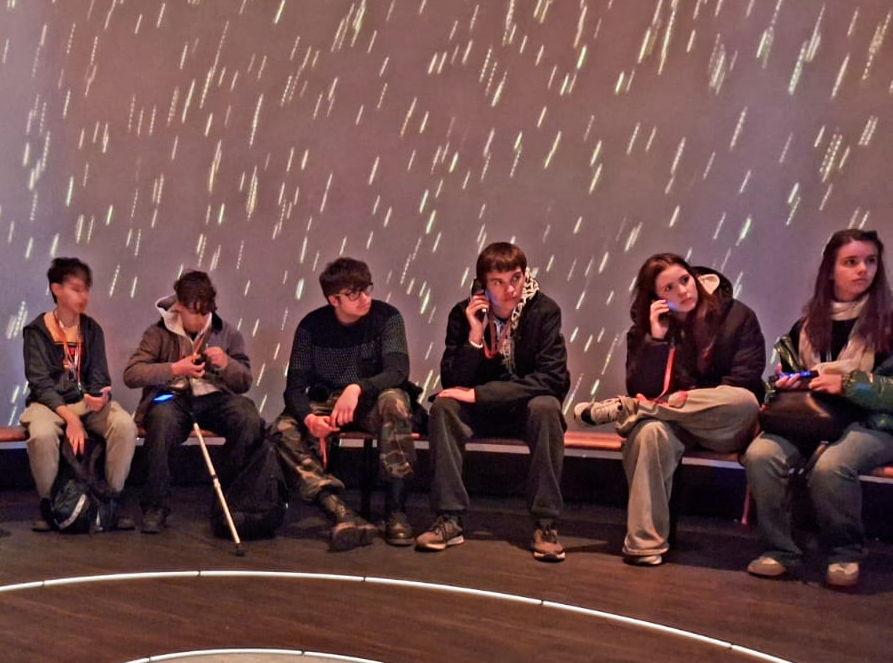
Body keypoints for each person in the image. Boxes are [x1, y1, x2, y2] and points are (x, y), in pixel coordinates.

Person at [573, 254, 765, 565]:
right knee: (648, 432)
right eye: (669, 288)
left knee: (744, 400)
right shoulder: (646, 331)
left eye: (685, 280)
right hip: (673, 424)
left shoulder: (738, 316)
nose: (683, 291)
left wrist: (686, 402)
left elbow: (746, 378)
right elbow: (642, 386)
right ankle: (645, 545)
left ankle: (633, 410)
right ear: (655, 298)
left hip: (723, 423)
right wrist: (656, 341)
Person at [743, 228, 893, 589]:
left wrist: (849, 384)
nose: (863, 270)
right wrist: (787, 383)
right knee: (761, 455)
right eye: (851, 262)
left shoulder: (888, 323)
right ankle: (780, 550)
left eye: (871, 261)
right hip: (812, 420)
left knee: (832, 467)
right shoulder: (807, 325)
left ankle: (844, 553)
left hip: (874, 423)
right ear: (830, 271)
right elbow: (777, 378)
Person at [417, 241, 571, 561]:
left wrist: (480, 393)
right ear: (482, 286)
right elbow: (453, 381)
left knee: (547, 407)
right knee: (444, 407)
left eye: (516, 278)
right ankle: (449, 518)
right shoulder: (463, 314)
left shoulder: (544, 311)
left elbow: (552, 379)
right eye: (498, 282)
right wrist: (475, 336)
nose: (510, 289)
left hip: (524, 408)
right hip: (481, 411)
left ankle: (545, 523)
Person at [272, 256, 417, 550]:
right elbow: (295, 389)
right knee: (281, 429)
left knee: (395, 402)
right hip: (327, 401)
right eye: (354, 294)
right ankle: (339, 510)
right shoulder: (311, 326)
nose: (364, 298)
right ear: (334, 299)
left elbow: (398, 372)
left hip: (371, 398)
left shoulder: (387, 318)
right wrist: (310, 419)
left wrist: (358, 387)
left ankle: (396, 511)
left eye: (367, 289)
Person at [122, 270, 259, 533]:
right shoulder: (159, 332)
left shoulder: (227, 332)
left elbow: (244, 382)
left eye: (204, 313)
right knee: (161, 420)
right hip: (173, 397)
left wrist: (227, 363)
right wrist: (175, 368)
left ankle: (229, 501)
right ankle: (155, 506)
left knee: (248, 417)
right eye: (192, 312)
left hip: (215, 398)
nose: (198, 319)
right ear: (179, 307)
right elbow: (132, 374)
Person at [20, 257, 137, 530]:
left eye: (86, 289)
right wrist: (71, 419)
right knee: (41, 434)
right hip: (49, 404)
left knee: (124, 425)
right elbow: (40, 384)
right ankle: (51, 507)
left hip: (85, 403)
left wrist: (100, 397)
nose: (83, 296)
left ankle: (110, 502)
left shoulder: (91, 329)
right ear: (56, 289)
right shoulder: (36, 331)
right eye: (76, 289)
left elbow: (100, 377)